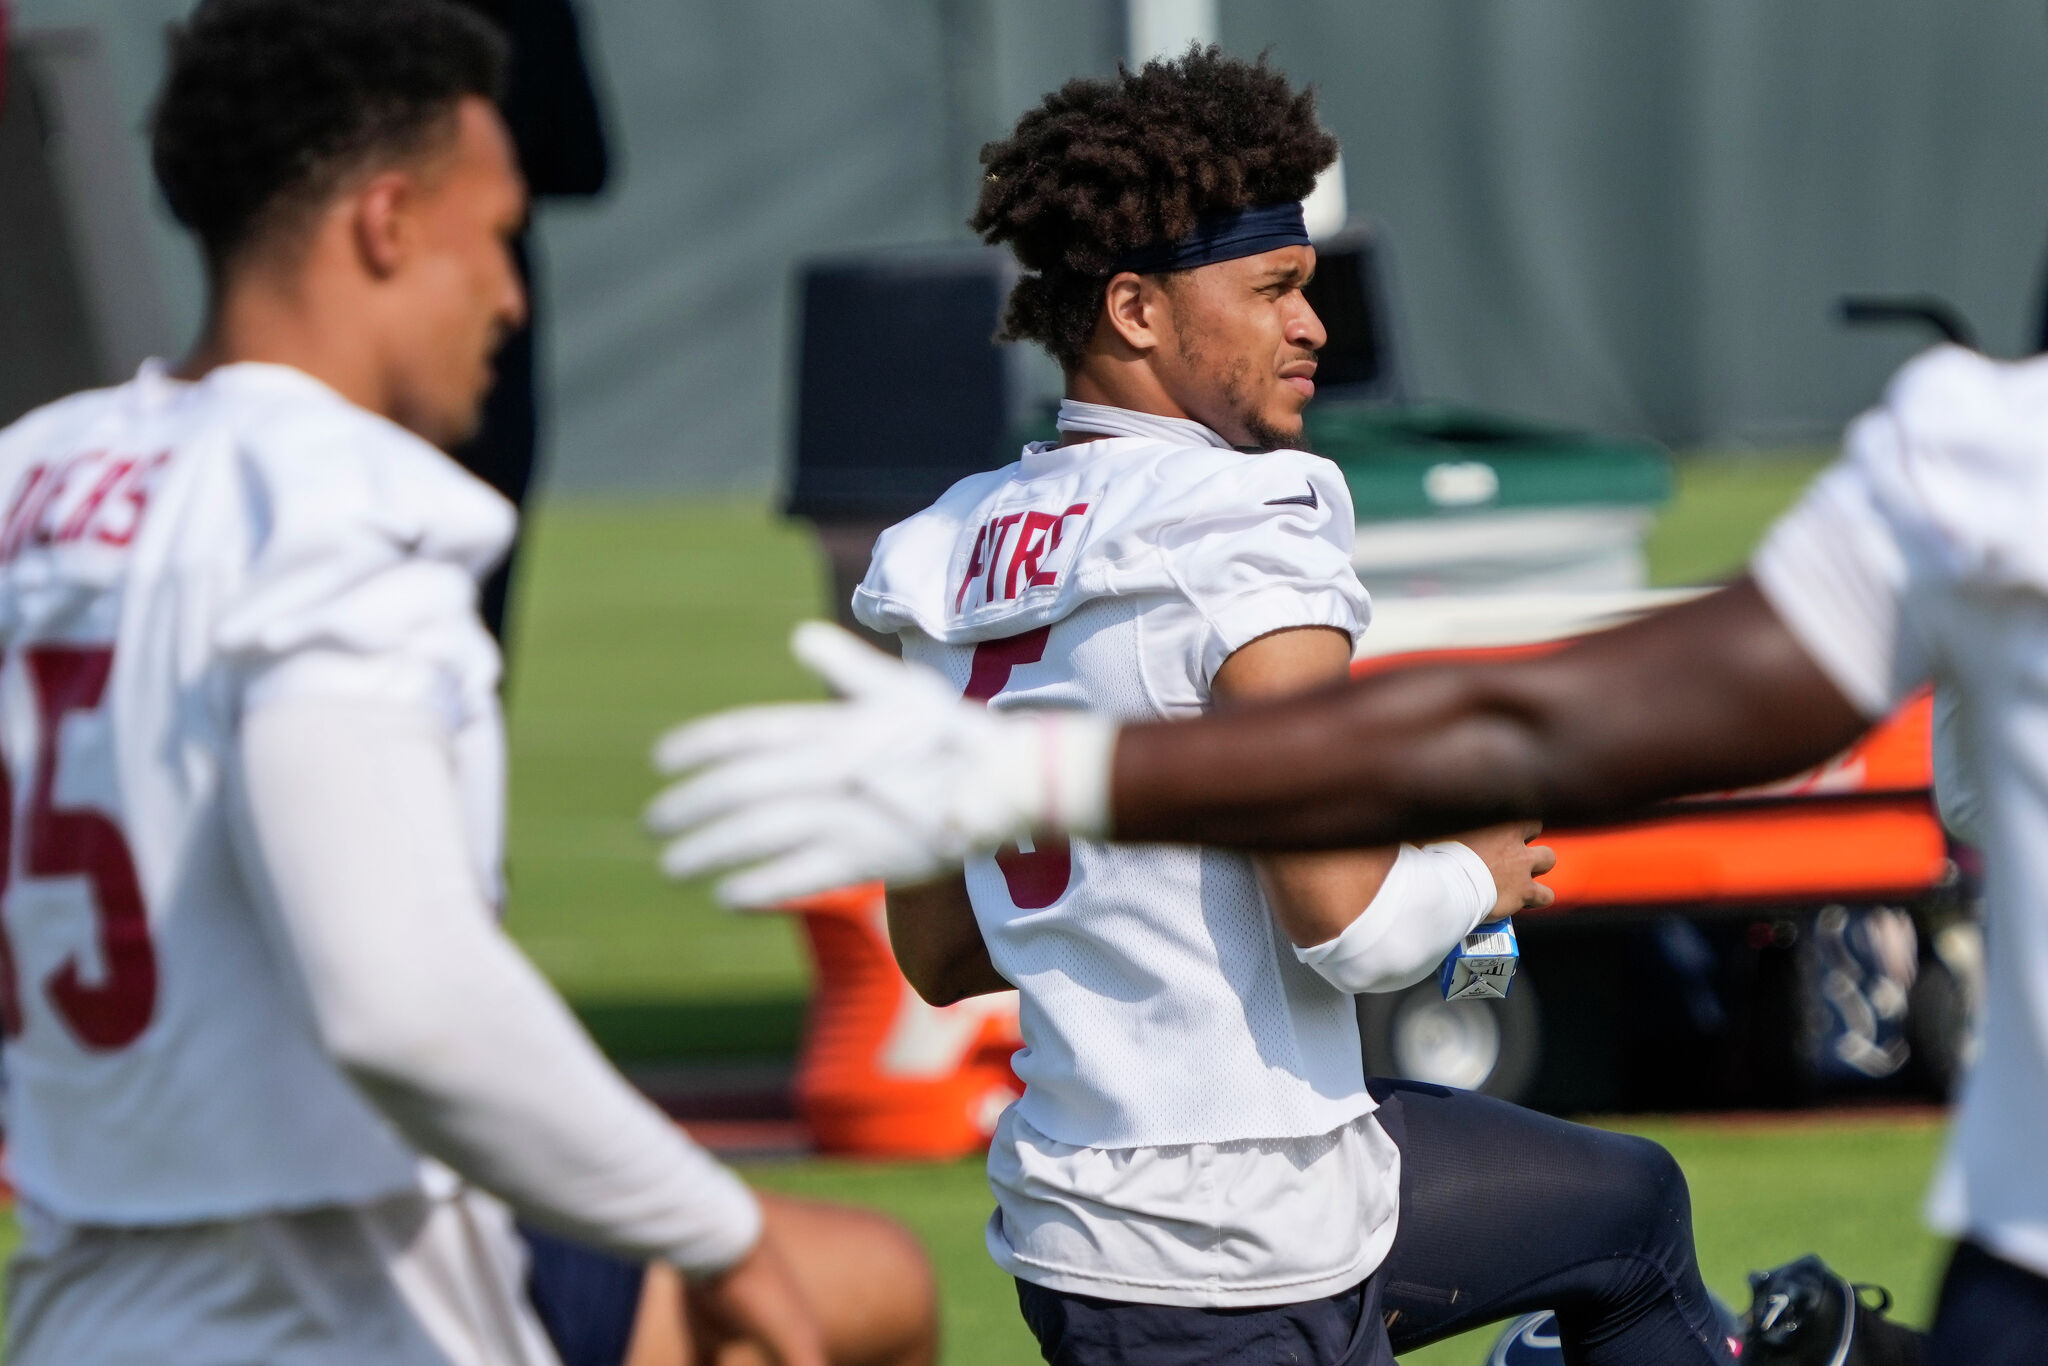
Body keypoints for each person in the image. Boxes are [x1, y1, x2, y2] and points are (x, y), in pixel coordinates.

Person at [665, 49, 1773, 1366]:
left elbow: (944, 951)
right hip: (1246, 1241)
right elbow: (1346, 921)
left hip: (1082, 1209)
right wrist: (1472, 870)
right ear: (1135, 309)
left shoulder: (946, 549)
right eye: (1274, 289)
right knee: (1629, 1224)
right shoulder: (1247, 515)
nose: (1312, 325)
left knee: (1629, 1204)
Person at [0, 3, 934, 1364]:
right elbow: (407, 1001)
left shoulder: (35, 475)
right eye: (494, 237)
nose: (511, 294)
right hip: (328, 1300)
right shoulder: (341, 503)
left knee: (870, 1281)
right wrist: (711, 1227)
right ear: (387, 222)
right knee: (827, 1288)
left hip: (84, 1291)